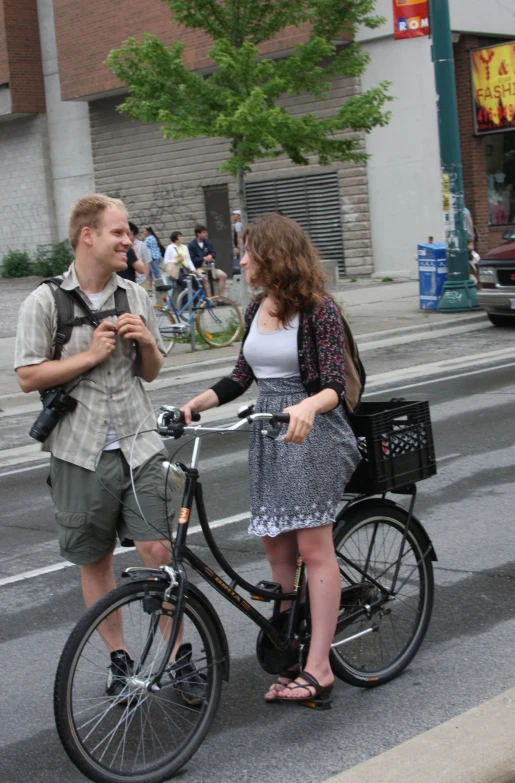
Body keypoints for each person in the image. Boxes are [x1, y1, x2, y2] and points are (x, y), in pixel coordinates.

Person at [181, 212, 361, 704]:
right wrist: (198, 402)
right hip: (268, 433)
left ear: (274, 255)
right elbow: (242, 375)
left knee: (312, 549)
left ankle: (320, 667)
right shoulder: (258, 306)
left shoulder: (318, 310)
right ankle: (291, 654)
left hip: (313, 433)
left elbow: (330, 385)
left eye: (249, 252)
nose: (240, 260)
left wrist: (304, 404)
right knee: (278, 552)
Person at [14, 194, 187, 701]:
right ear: (87, 235)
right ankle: (118, 659)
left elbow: (151, 373)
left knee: (158, 550)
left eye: (128, 232)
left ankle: (176, 657)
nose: (128, 240)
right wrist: (89, 356)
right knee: (96, 559)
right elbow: (27, 376)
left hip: (138, 443)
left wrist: (149, 345)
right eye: (118, 232)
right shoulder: (44, 302)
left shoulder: (135, 295)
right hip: (78, 450)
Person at [187, 224, 227, 298]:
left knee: (223, 275)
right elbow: (192, 259)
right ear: (198, 234)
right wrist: (203, 258)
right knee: (204, 278)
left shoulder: (208, 242)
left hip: (210, 266)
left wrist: (211, 256)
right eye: (204, 232)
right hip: (199, 268)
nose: (206, 234)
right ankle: (209, 299)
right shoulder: (191, 245)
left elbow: (213, 252)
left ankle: (221, 298)